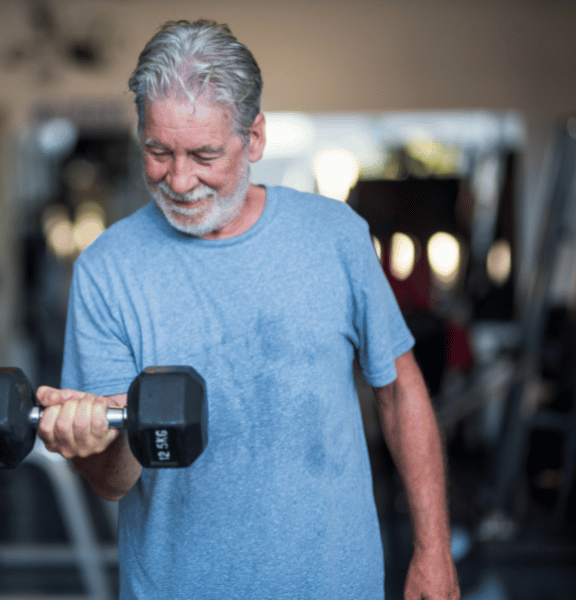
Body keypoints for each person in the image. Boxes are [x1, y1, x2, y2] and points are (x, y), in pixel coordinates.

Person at [36, 19, 460, 600]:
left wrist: (433, 550)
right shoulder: (107, 270)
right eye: (157, 151)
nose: (179, 180)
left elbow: (398, 389)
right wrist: (90, 442)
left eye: (204, 154)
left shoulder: (333, 236)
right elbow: (115, 483)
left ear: (254, 139)